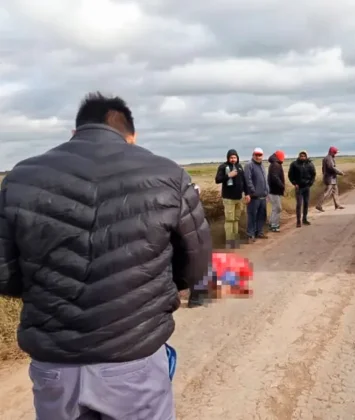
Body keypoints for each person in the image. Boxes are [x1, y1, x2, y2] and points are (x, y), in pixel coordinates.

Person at [0, 92, 213, 420]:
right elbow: (197, 265)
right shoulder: (169, 176)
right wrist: (152, 289)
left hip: (55, 364)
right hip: (134, 358)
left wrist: (47, 292)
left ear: (74, 132)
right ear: (132, 137)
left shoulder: (20, 178)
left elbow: (5, 274)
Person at [215, 149, 250, 249]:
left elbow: (244, 181)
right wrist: (228, 175)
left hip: (238, 198)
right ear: (228, 158)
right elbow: (217, 180)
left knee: (236, 219)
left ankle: (235, 240)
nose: (233, 159)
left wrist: (247, 193)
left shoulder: (239, 167)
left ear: (237, 158)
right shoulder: (223, 167)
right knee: (230, 220)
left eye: (234, 157)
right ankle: (229, 242)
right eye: (231, 157)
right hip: (228, 198)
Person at [244, 147, 269, 242]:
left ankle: (259, 232)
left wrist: (267, 191)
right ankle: (250, 234)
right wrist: (252, 191)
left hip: (263, 196)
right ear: (253, 155)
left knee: (261, 216)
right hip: (254, 197)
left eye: (260, 155)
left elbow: (264, 180)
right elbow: (248, 180)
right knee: (252, 216)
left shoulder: (262, 165)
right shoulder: (249, 165)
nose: (258, 157)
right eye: (256, 155)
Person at [288, 150, 316, 227]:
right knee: (299, 204)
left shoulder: (310, 164)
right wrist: (294, 183)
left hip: (307, 187)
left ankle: (305, 219)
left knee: (306, 203)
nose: (303, 157)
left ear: (306, 156)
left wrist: (310, 183)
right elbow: (290, 175)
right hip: (299, 188)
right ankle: (298, 221)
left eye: (304, 156)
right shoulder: (294, 164)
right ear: (299, 156)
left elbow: (313, 174)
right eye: (301, 156)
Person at [316, 146, 345, 212]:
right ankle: (319, 205)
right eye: (335, 152)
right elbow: (331, 168)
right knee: (327, 193)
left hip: (332, 178)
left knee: (335, 192)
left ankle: (337, 205)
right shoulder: (328, 158)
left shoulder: (329, 158)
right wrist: (340, 172)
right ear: (332, 152)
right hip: (329, 178)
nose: (336, 154)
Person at [267, 150, 286, 232]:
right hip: (273, 190)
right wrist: (282, 185)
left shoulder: (275, 164)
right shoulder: (275, 164)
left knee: (275, 208)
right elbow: (275, 177)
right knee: (278, 208)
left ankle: (272, 223)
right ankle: (274, 225)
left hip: (273, 190)